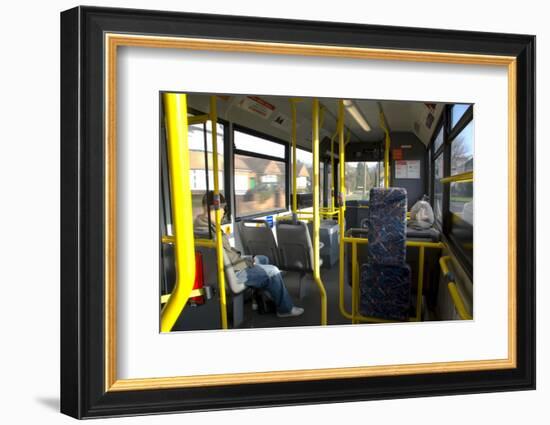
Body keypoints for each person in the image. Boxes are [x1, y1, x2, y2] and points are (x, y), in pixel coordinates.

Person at [194, 191, 304, 318]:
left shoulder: (199, 226)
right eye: (223, 209)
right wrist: (249, 261)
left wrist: (249, 259)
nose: (224, 212)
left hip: (217, 272)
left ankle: (258, 300)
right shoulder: (213, 232)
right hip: (231, 273)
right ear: (216, 209)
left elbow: (227, 253)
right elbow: (230, 260)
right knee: (273, 271)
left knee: (262, 259)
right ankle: (285, 309)